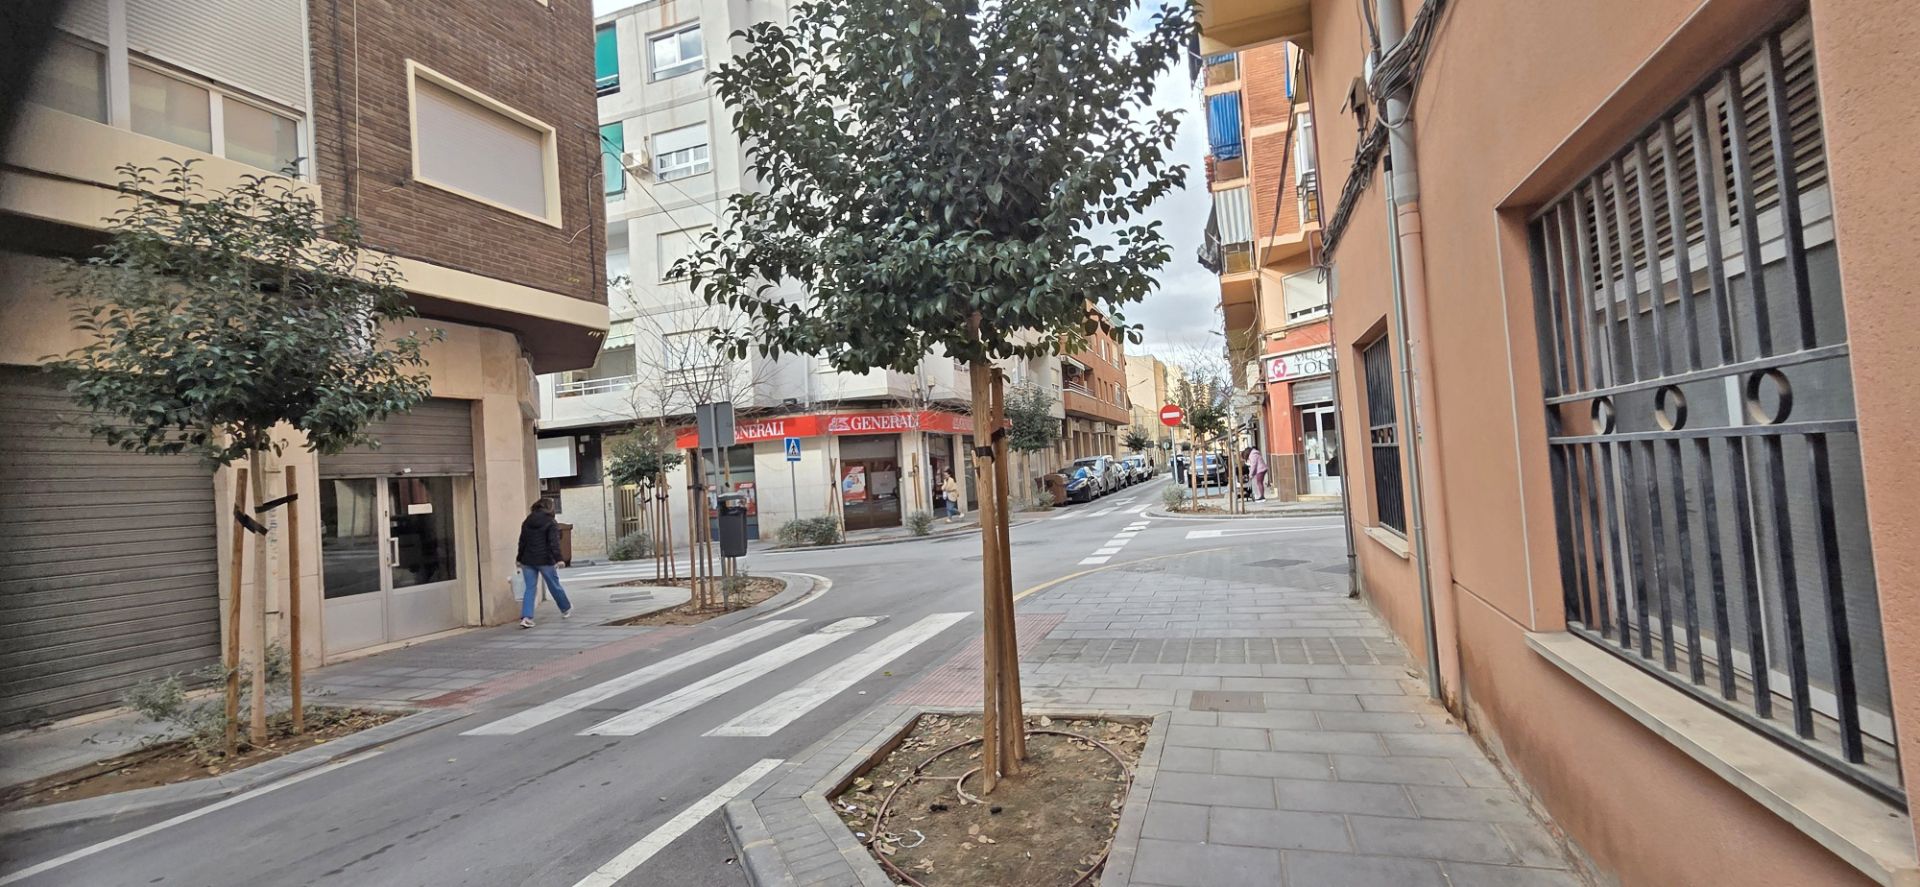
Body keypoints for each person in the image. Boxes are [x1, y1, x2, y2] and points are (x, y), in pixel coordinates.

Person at [516, 499, 571, 628]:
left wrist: (519, 558)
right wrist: (559, 559)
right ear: (549, 508)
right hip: (545, 560)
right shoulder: (550, 522)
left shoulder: (527, 521)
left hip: (527, 560)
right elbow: (554, 542)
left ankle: (527, 617)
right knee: (553, 585)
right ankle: (565, 608)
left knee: (530, 588)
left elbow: (522, 541)